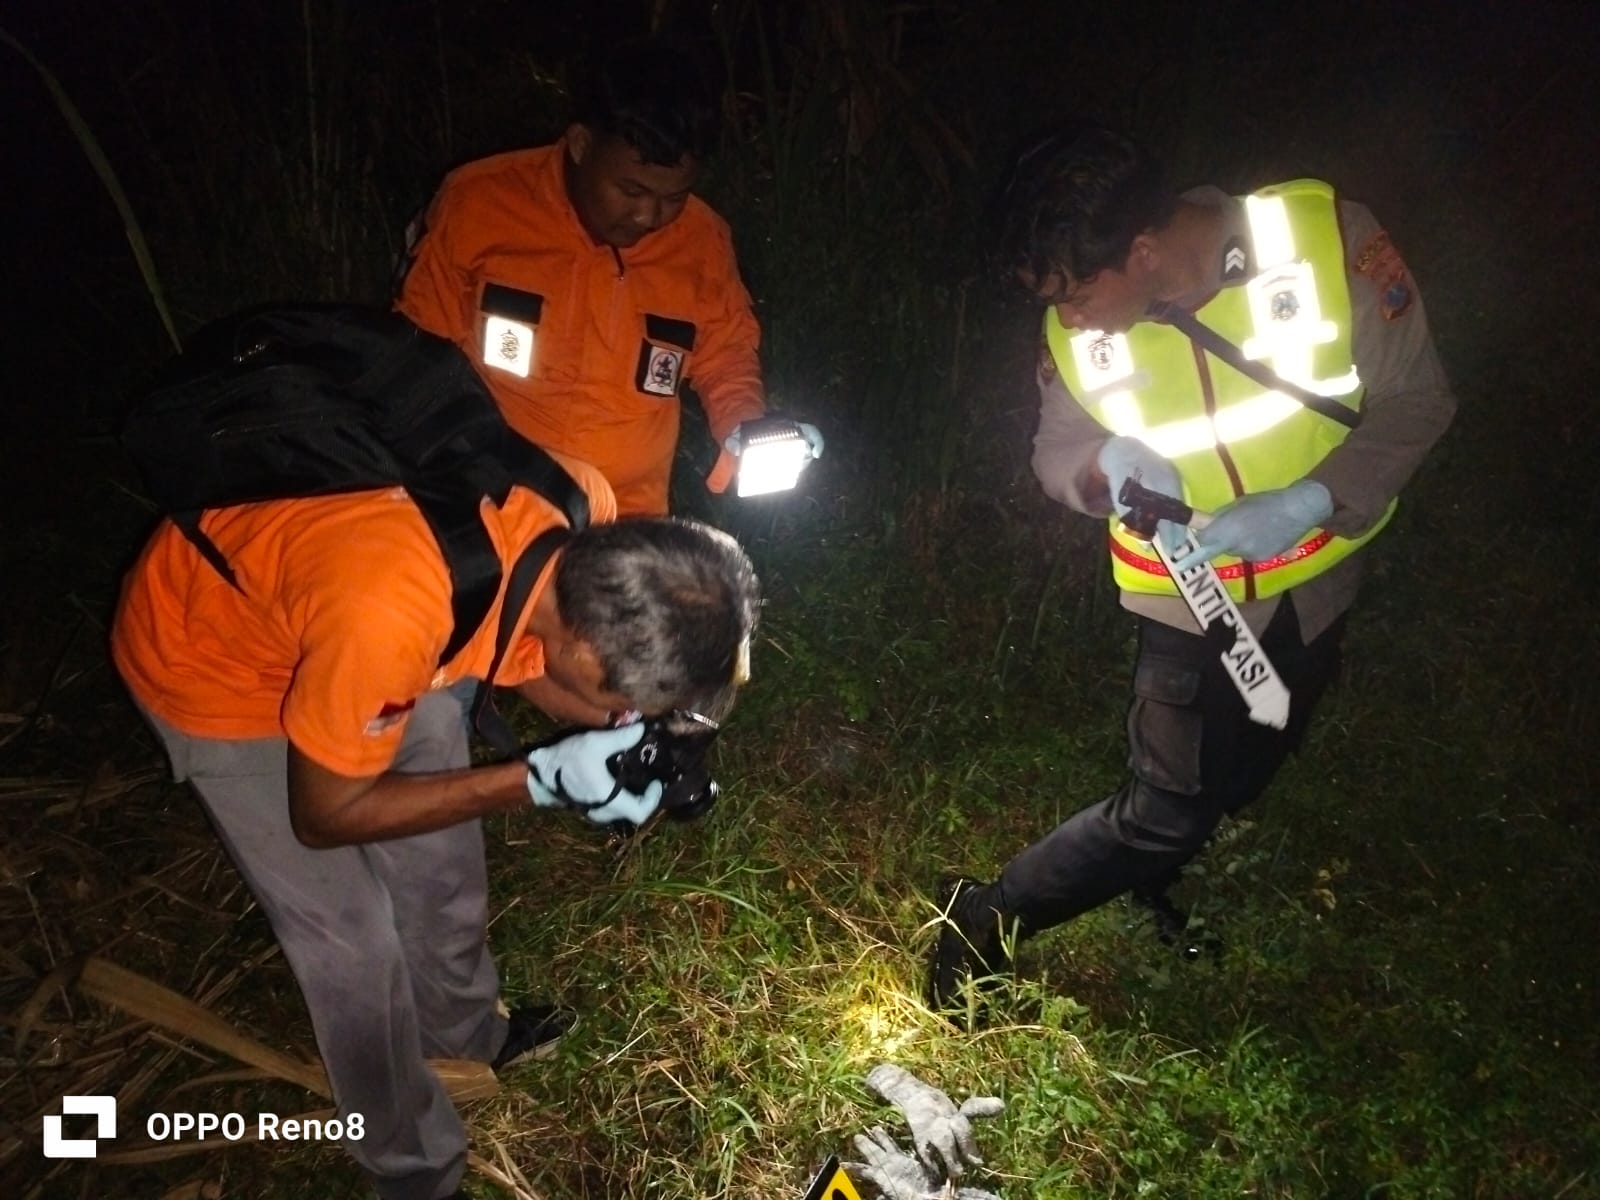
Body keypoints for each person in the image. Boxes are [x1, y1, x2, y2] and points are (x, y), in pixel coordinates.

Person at [109, 459, 760, 1200]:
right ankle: (411, 1164)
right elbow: (325, 817)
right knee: (353, 944)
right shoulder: (387, 613)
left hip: (384, 630)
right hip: (218, 667)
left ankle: (467, 1038)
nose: (630, 720)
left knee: (440, 862)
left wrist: (618, 738)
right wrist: (537, 779)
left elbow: (525, 650)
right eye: (629, 704)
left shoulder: (582, 510)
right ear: (586, 648)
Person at [927, 122, 1456, 1016]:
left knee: (1260, 750)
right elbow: (1057, 450)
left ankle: (1156, 874)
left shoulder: (1326, 244)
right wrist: (1106, 470)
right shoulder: (1081, 325)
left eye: (1076, 294)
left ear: (1142, 251)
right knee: (1170, 803)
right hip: (1184, 594)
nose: (1067, 317)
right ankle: (988, 914)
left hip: (1315, 583)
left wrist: (1314, 500)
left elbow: (1420, 401)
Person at [395, 32, 821, 517]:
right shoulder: (480, 203)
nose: (649, 216)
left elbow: (726, 355)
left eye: (673, 197)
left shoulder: (702, 241)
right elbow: (416, 351)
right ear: (580, 145)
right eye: (630, 190)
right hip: (494, 499)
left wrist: (746, 426)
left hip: (628, 516)